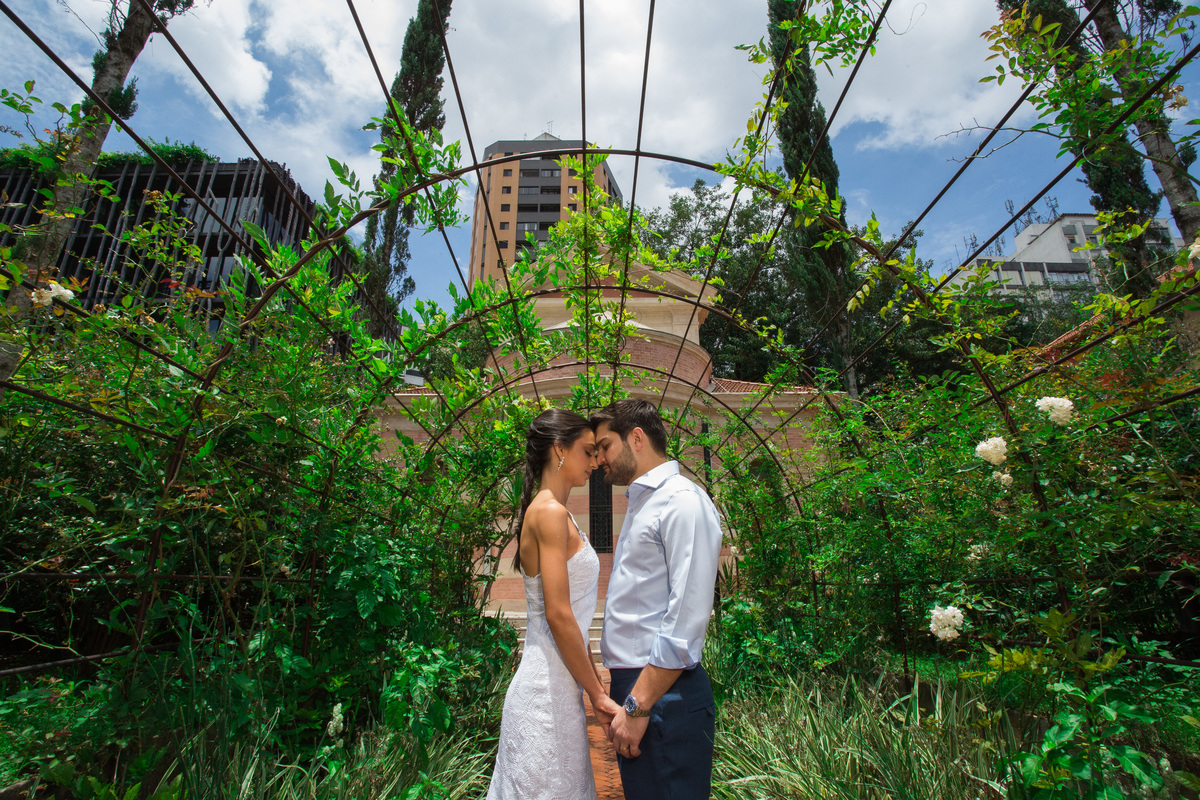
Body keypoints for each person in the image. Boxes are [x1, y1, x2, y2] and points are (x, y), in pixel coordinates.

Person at [487, 408, 624, 800]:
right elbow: (559, 614)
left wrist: (592, 688)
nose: (595, 462)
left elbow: (574, 623)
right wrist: (598, 695)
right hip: (543, 695)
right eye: (587, 451)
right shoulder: (548, 512)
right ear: (559, 449)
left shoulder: (559, 513)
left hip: (561, 694)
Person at [591, 398, 723, 800]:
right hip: (641, 688)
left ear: (636, 438)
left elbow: (686, 619)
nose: (599, 459)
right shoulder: (643, 501)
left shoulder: (681, 500)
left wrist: (639, 705)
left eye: (605, 446)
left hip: (663, 694)